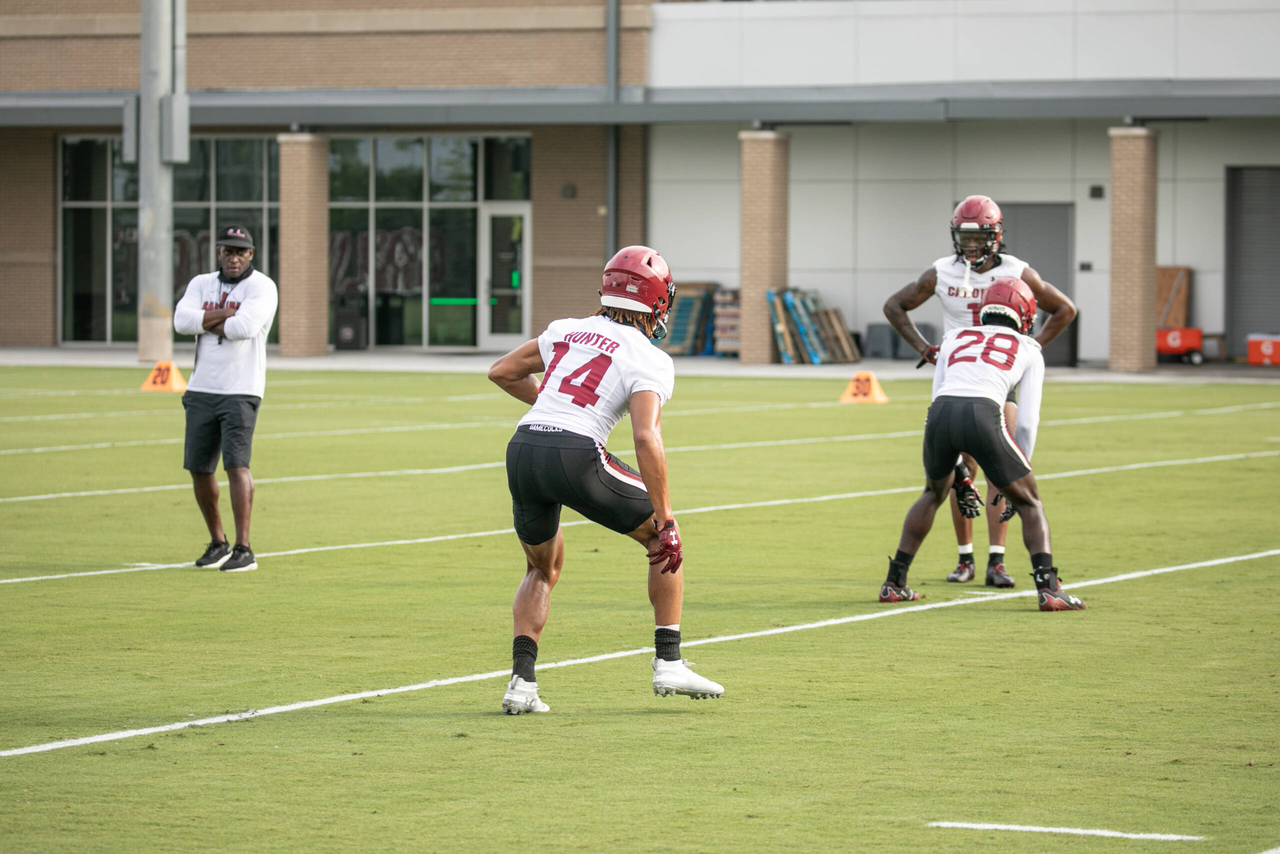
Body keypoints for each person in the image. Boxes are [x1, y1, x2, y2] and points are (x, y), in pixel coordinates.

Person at [487, 245, 724, 714]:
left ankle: (521, 684)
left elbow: (502, 372)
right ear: (658, 301)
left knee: (540, 569)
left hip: (523, 447)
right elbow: (646, 437)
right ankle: (669, 662)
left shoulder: (566, 330)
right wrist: (666, 517)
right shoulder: (649, 357)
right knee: (661, 539)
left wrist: (551, 406)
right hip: (575, 453)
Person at [883, 195, 1077, 588]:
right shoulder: (942, 272)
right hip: (962, 371)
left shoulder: (1016, 270)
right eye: (965, 237)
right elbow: (895, 305)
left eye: (978, 237)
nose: (970, 245)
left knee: (978, 476)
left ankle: (994, 561)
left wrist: (1027, 348)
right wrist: (925, 349)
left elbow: (1064, 309)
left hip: (979, 381)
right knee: (976, 475)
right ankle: (967, 558)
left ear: (996, 236)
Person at [172, 225, 279, 573]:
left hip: (241, 389)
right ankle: (218, 542)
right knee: (199, 468)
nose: (234, 258)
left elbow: (243, 329)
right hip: (202, 388)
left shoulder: (262, 286)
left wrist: (204, 321)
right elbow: (181, 321)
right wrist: (225, 315)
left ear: (251, 254)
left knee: (236, 465)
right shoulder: (201, 283)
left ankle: (244, 549)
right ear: (219, 252)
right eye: (228, 251)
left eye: (240, 252)